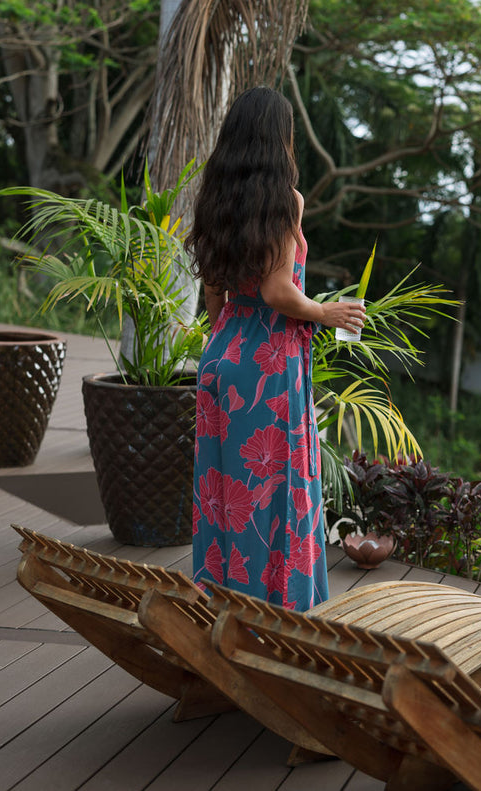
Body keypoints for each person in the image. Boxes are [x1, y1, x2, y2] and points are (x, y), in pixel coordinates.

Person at [186, 86, 366, 610]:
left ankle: (221, 610)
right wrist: (325, 312)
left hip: (222, 359)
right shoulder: (285, 201)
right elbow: (277, 290)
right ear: (278, 139)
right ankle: (277, 617)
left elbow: (215, 292)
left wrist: (229, 343)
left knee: (225, 496)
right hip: (269, 367)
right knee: (275, 495)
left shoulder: (216, 197)